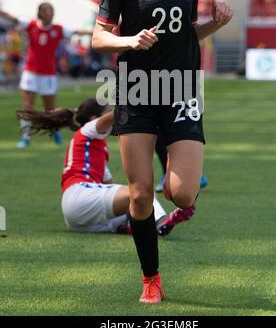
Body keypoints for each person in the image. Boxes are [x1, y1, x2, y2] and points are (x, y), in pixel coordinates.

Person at [92, 0, 233, 303]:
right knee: (139, 195)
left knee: (184, 194)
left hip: (182, 87)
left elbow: (186, 33)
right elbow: (98, 38)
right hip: (137, 89)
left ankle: (172, 163)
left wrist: (214, 23)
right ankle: (151, 278)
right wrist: (129, 40)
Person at [16, 99, 195, 235]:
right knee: (142, 191)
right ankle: (162, 221)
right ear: (95, 118)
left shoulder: (96, 147)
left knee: (134, 203)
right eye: (106, 111)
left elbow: (110, 187)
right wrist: (141, 98)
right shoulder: (89, 128)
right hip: (80, 194)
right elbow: (119, 112)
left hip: (77, 215)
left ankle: (130, 226)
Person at [0, 3, 93, 148]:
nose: (51, 14)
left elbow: (78, 31)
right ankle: (25, 137)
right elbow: (11, 18)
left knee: (50, 109)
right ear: (41, 13)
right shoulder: (30, 24)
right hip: (30, 72)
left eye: (52, 11)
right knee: (28, 107)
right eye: (48, 11)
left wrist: (99, 30)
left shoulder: (59, 29)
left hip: (48, 75)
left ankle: (55, 131)